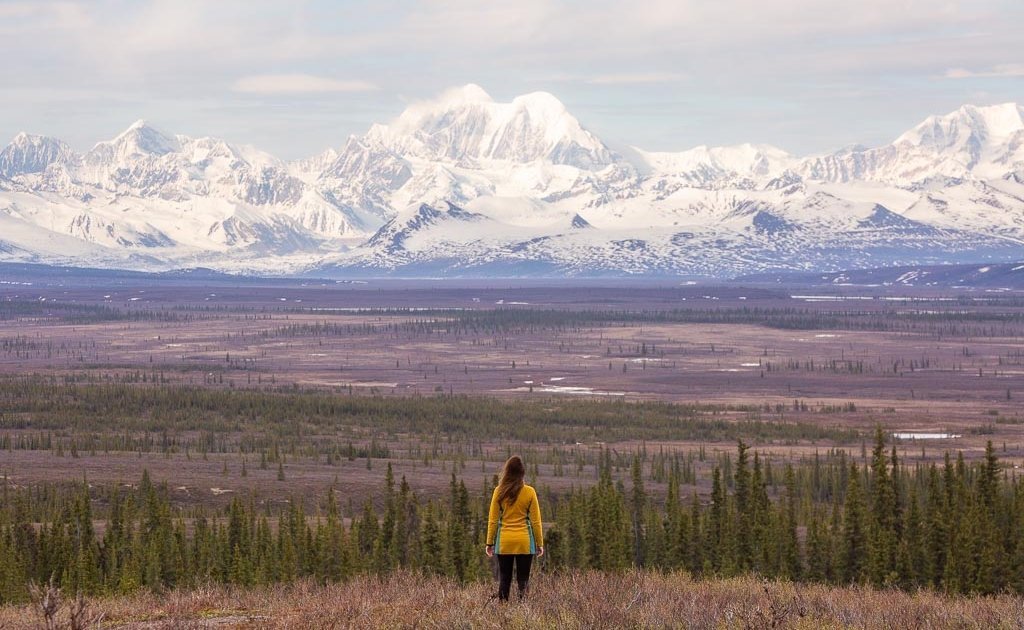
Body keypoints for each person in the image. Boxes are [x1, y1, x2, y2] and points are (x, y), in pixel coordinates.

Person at [485, 455, 544, 602]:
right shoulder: (529, 492)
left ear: (506, 472)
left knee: (505, 579)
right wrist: (539, 543)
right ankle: (524, 612)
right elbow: (536, 521)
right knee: (523, 580)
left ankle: (503, 611)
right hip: (524, 542)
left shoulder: (498, 491)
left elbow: (493, 520)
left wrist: (489, 543)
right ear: (522, 473)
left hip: (504, 542)